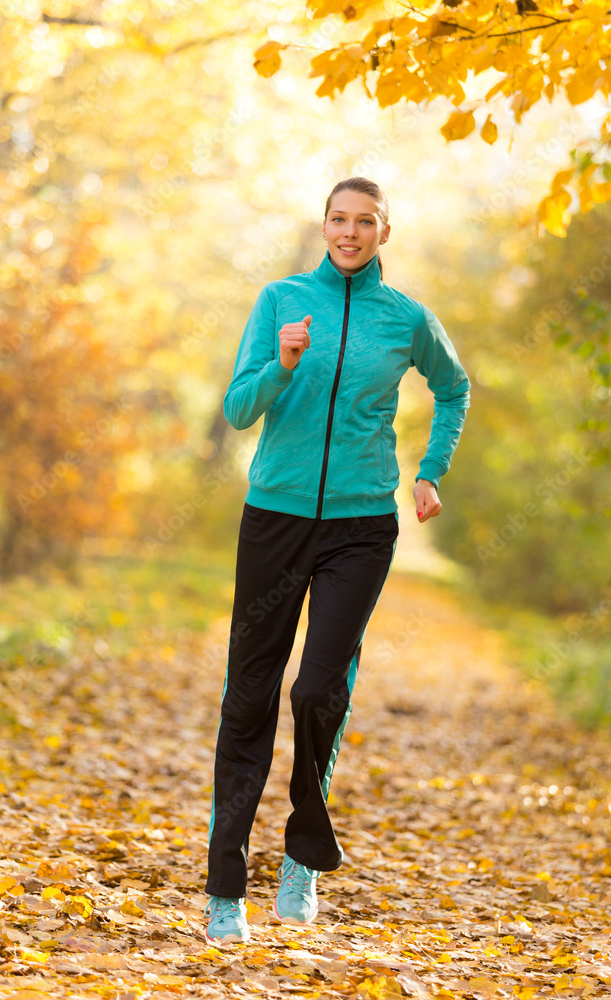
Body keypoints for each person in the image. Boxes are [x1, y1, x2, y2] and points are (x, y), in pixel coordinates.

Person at [203, 176, 470, 946]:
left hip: (360, 527)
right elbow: (238, 409)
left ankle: (303, 859)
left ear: (386, 231)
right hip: (275, 519)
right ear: (323, 225)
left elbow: (454, 390)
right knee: (249, 693)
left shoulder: (408, 318)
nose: (349, 233)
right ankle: (227, 886)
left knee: (320, 688)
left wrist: (429, 471)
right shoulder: (280, 300)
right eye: (337, 219)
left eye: (365, 222)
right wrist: (282, 366)